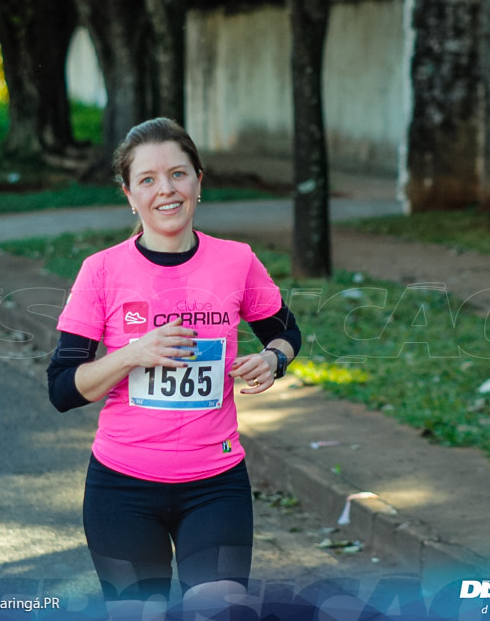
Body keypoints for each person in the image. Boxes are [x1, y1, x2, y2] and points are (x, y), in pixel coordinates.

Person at [47, 117, 301, 619]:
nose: (166, 189)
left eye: (178, 174)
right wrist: (132, 354)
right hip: (121, 489)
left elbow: (287, 332)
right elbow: (62, 388)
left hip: (216, 485)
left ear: (198, 182)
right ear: (129, 194)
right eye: (148, 179)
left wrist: (273, 359)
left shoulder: (236, 260)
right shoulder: (101, 271)